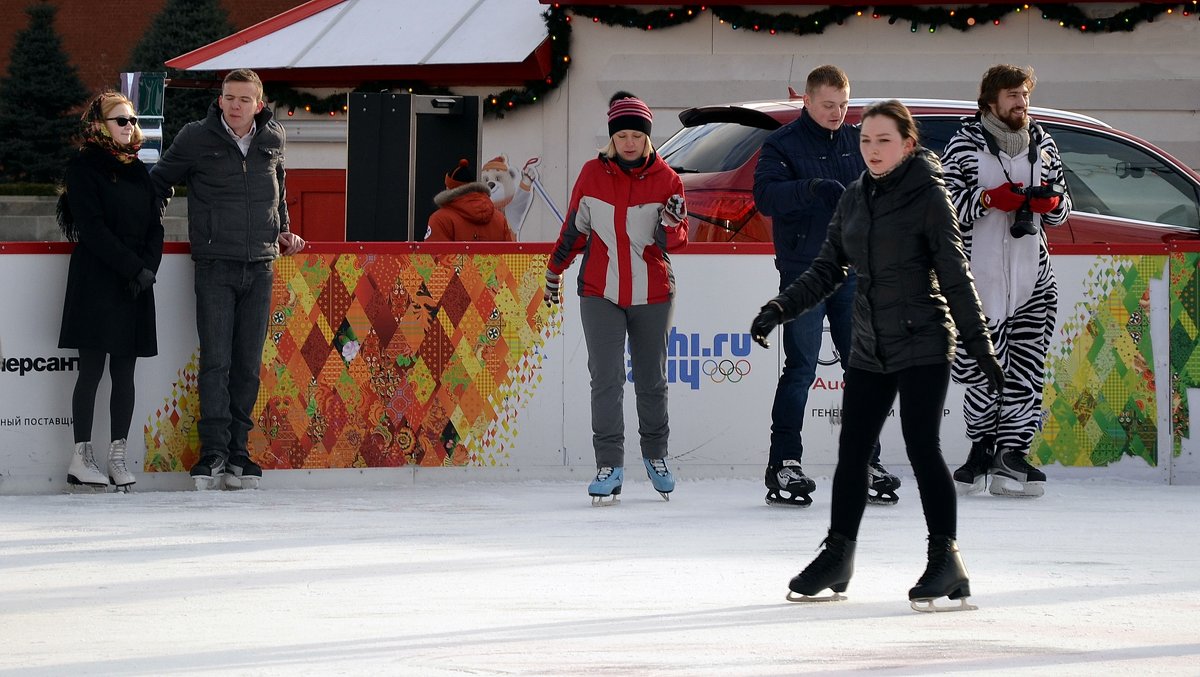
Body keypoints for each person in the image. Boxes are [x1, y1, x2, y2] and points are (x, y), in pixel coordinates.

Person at [750, 100, 1005, 610]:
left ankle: (946, 559)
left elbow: (955, 274)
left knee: (921, 446)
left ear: (908, 144)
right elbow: (828, 269)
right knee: (853, 452)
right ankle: (838, 555)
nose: (873, 150)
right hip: (871, 343)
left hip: (924, 339)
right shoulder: (854, 198)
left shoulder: (930, 197)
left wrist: (979, 345)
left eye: (884, 140)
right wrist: (779, 308)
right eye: (866, 141)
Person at [150, 69, 305, 491]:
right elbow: (158, 182)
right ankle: (213, 452)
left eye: (244, 99)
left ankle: (239, 451)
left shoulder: (273, 137)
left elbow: (279, 188)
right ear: (220, 100)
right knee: (216, 361)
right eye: (228, 97)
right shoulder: (195, 138)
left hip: (261, 265)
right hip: (215, 264)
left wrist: (284, 229)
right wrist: (145, 234)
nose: (235, 105)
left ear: (259, 103)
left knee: (247, 365)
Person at [751, 65, 897, 508]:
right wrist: (810, 188)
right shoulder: (782, 144)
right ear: (808, 102)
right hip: (805, 272)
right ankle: (784, 463)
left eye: (844, 105)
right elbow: (766, 197)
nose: (837, 113)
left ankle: (864, 459)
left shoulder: (859, 142)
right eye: (829, 105)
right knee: (801, 368)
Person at [544, 91, 688, 505]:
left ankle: (656, 456)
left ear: (647, 138)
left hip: (653, 292)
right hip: (599, 290)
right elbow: (574, 230)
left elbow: (674, 242)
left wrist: (672, 223)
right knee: (605, 379)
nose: (629, 142)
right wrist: (554, 270)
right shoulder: (592, 174)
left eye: (636, 136)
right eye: (622, 135)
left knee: (652, 380)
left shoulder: (668, 180)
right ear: (612, 138)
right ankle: (609, 464)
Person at [941, 65, 1070, 498]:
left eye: (1025, 95)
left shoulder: (1043, 144)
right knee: (981, 370)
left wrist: (1050, 204)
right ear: (991, 100)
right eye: (1012, 96)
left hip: (1034, 277)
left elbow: (1064, 205)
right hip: (979, 280)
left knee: (1027, 370)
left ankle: (1012, 453)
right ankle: (980, 448)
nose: (1021, 103)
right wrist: (987, 200)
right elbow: (945, 208)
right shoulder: (963, 144)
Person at [58, 91, 163, 492]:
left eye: (133, 120)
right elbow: (93, 229)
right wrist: (134, 266)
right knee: (91, 369)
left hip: (135, 282)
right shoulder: (85, 168)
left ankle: (117, 455)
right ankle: (80, 456)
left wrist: (147, 269)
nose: (130, 127)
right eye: (121, 120)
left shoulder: (139, 170)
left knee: (125, 370)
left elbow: (155, 226)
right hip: (98, 279)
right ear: (100, 126)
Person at [424, 159, 516, 242]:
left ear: (449, 188)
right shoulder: (499, 219)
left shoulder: (440, 219)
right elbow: (509, 256)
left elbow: (434, 257)